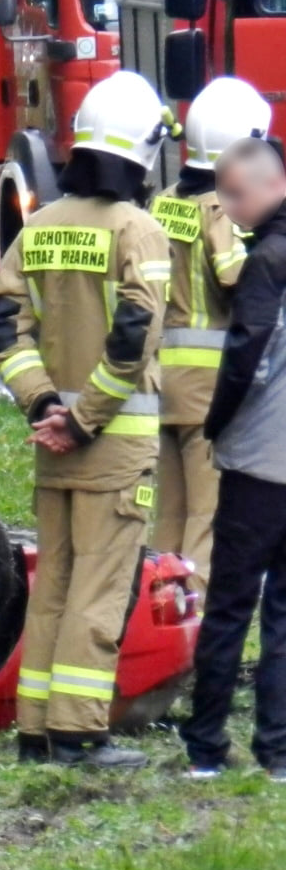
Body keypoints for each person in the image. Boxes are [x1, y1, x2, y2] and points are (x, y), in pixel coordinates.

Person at [0, 71, 172, 769]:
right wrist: (85, 418)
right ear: (142, 151)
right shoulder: (138, 230)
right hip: (112, 451)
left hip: (53, 448)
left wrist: (42, 405)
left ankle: (36, 730)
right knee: (101, 585)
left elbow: (1, 323)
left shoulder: (40, 226)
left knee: (54, 586)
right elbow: (136, 335)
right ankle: (80, 735)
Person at [180, 135, 286, 780]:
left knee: (229, 605)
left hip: (259, 461)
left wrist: (214, 426)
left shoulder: (267, 261)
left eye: (234, 200)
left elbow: (246, 354)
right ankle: (277, 753)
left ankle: (207, 748)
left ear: (263, 188)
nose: (232, 213)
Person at [150, 78, 268, 593]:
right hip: (207, 388)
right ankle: (189, 626)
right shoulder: (218, 208)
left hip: (159, 383)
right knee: (207, 513)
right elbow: (236, 275)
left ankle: (154, 613)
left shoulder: (164, 202)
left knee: (168, 516)